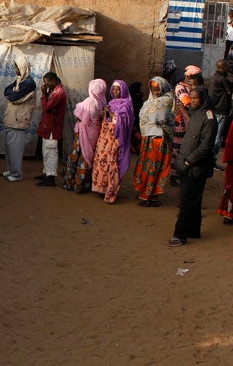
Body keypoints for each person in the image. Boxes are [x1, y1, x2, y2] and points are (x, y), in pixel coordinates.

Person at [171, 86, 217, 246]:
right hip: (187, 164)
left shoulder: (209, 118)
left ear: (203, 98)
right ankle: (193, 230)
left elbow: (205, 146)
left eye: (196, 98)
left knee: (187, 201)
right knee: (193, 200)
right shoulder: (195, 114)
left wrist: (188, 161)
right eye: (191, 98)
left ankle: (180, 234)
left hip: (196, 167)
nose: (192, 101)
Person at [91, 81, 135, 205]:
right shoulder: (110, 103)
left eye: (118, 90)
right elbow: (107, 119)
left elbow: (123, 123)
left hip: (116, 139)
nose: (116, 92)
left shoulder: (126, 105)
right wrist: (104, 113)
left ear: (123, 91)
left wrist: (110, 113)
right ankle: (103, 188)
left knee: (114, 164)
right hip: (105, 139)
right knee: (102, 162)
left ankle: (111, 192)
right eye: (114, 90)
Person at [134, 77, 175, 207]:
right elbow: (145, 117)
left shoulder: (167, 100)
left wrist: (149, 120)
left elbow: (158, 117)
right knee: (145, 166)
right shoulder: (149, 101)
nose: (156, 92)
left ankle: (150, 196)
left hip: (159, 140)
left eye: (158, 89)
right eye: (153, 89)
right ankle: (144, 190)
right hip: (148, 138)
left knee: (154, 167)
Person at [62, 79, 107, 193]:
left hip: (83, 131)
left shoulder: (90, 101)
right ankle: (81, 185)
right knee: (87, 157)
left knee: (76, 155)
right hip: (94, 132)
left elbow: (80, 115)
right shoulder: (103, 102)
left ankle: (70, 183)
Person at [1, 56, 37, 182]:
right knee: (9, 148)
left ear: (23, 67)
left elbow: (14, 98)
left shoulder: (29, 83)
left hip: (19, 121)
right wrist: (11, 94)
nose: (15, 69)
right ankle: (11, 170)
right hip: (12, 119)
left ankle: (16, 174)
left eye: (17, 67)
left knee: (15, 150)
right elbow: (6, 91)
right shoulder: (19, 80)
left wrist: (11, 94)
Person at [35, 72, 67, 187]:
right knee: (46, 151)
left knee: (51, 151)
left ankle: (51, 177)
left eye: (47, 83)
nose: (46, 85)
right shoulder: (55, 91)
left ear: (53, 81)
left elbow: (46, 107)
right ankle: (46, 172)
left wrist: (43, 94)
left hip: (53, 127)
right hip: (49, 126)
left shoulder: (59, 93)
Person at [208, 59, 233, 156]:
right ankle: (213, 159)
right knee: (217, 137)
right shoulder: (222, 79)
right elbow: (229, 89)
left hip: (213, 109)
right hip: (220, 110)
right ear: (222, 68)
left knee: (211, 135)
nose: (227, 68)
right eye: (225, 67)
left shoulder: (213, 76)